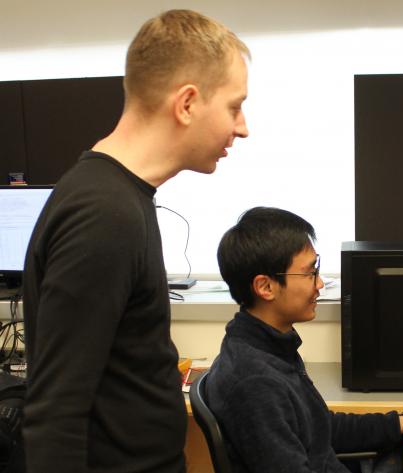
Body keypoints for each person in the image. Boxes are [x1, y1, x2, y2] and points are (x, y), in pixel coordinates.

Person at [22, 10, 249, 473]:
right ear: (186, 103)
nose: (242, 127)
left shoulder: (124, 197)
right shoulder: (105, 214)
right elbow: (55, 416)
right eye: (234, 106)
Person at [206, 207, 403, 473]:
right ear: (265, 287)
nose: (319, 284)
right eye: (310, 272)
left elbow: (321, 428)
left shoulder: (271, 345)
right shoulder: (255, 383)